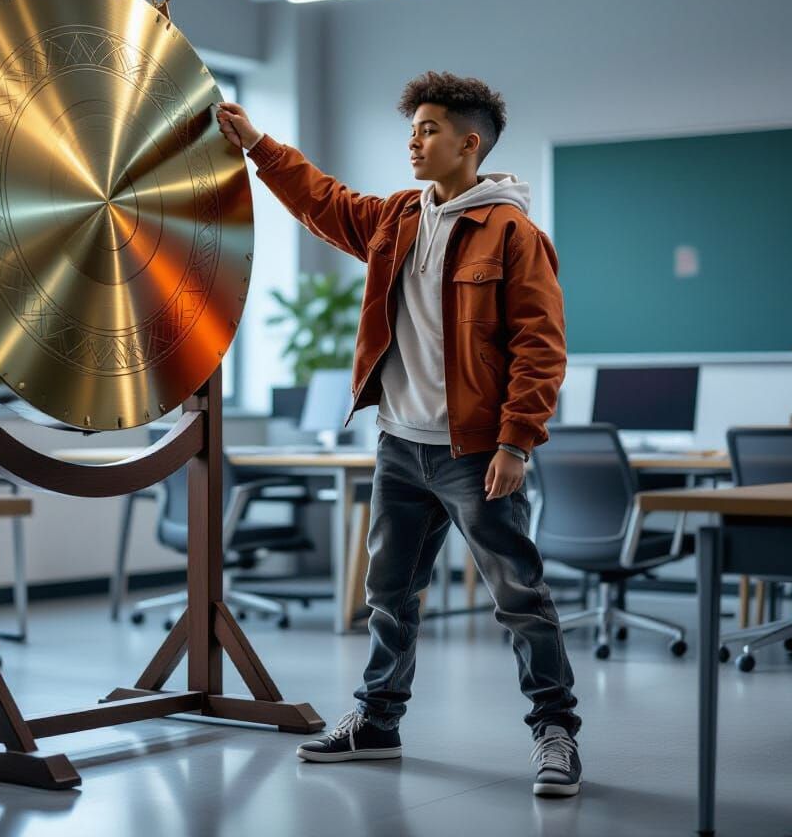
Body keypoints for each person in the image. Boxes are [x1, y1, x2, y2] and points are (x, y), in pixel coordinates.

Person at [215, 72, 582, 797]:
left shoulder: (512, 233)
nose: (413, 140)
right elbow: (323, 202)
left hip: (475, 452)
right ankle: (378, 720)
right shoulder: (397, 219)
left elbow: (541, 346)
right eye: (411, 128)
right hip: (399, 445)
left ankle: (556, 730)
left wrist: (515, 443)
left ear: (468, 143)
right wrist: (258, 145)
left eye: (429, 129)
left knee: (519, 594)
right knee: (389, 593)